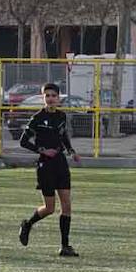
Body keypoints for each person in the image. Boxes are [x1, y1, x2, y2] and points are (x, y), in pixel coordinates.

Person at [18, 83, 81, 257]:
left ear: (58, 98)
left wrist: (71, 151)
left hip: (60, 163)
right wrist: (42, 150)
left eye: (53, 95)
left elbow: (63, 136)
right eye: (47, 96)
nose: (51, 98)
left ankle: (65, 246)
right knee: (50, 208)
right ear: (43, 98)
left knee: (67, 205)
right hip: (45, 165)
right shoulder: (38, 118)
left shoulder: (61, 116)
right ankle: (28, 224)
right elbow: (23, 141)